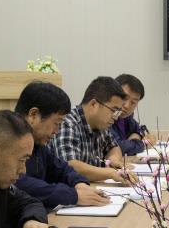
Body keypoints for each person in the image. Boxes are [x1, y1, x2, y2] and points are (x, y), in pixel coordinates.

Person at [14, 80, 110, 208]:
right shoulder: (8, 140)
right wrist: (73, 195)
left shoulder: (38, 145)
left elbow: (61, 169)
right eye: (56, 123)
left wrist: (79, 184)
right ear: (33, 115)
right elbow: (21, 183)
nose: (57, 131)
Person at [51, 76, 134, 183]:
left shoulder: (101, 124)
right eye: (114, 110)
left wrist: (113, 159)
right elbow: (70, 166)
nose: (116, 117)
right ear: (94, 104)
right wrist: (110, 173)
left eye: (118, 112)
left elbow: (113, 147)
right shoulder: (68, 123)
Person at [111, 73, 150, 156]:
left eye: (133, 102)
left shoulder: (127, 118)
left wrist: (137, 135)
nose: (127, 106)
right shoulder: (105, 117)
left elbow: (140, 130)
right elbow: (118, 147)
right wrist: (144, 144)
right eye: (124, 98)